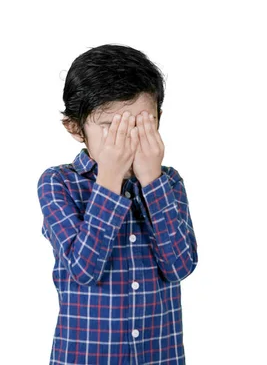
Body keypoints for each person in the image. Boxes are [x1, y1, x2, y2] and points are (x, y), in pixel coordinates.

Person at [36, 44, 199, 364]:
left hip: (159, 356)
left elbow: (180, 266)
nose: (127, 138)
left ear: (159, 118)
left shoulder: (169, 183)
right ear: (75, 128)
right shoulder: (58, 183)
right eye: (111, 127)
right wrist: (109, 180)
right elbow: (84, 269)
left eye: (141, 123)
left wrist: (152, 181)